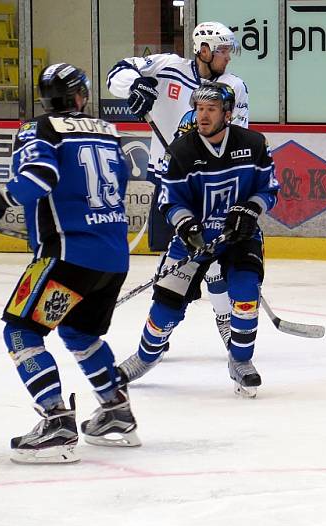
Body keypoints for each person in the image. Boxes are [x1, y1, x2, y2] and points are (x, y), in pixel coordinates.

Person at [0, 63, 138, 464]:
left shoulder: (39, 129)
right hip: (112, 258)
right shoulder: (107, 132)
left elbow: (39, 176)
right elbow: (122, 180)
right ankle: (116, 412)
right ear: (80, 96)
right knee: (80, 334)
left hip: (67, 258)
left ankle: (57, 422)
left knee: (21, 331)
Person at [116, 82, 278, 398]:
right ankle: (145, 357)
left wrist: (249, 210)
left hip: (239, 237)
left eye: (211, 109)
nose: (203, 116)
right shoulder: (180, 151)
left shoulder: (254, 144)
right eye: (200, 109)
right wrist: (187, 226)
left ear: (228, 114)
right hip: (194, 239)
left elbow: (268, 188)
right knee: (166, 307)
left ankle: (240, 361)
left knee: (245, 295)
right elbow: (168, 199)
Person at [107, 21, 249, 349]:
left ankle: (224, 321)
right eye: (223, 51)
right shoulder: (168, 67)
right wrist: (135, 87)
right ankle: (163, 326)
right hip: (169, 182)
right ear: (204, 50)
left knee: (213, 258)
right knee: (177, 263)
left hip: (212, 186)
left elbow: (238, 136)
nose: (228, 57)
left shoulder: (234, 86)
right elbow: (117, 73)